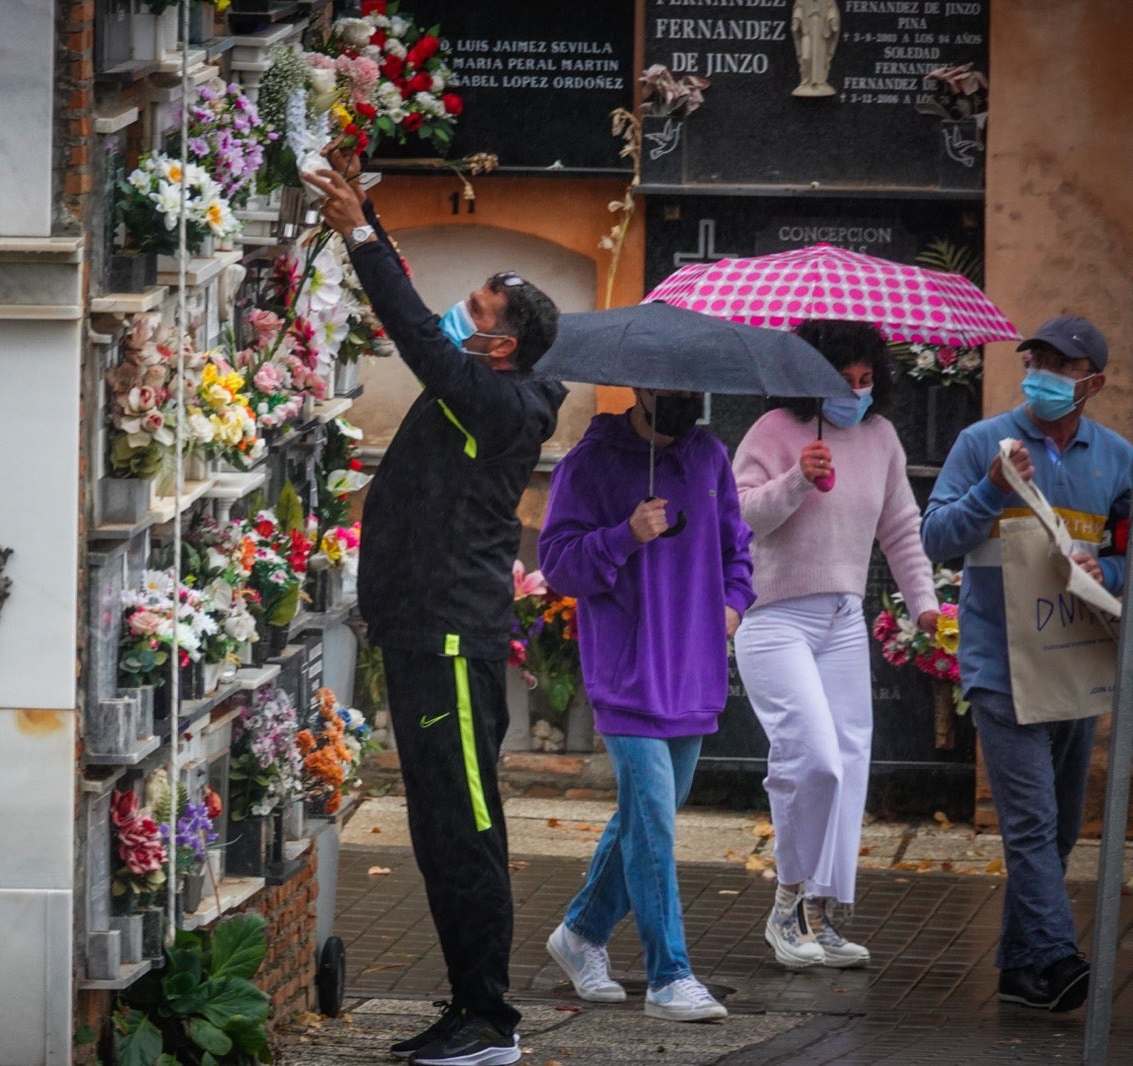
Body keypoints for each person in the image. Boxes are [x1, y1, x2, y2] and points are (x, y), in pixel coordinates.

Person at [302, 158, 565, 1066]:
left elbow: (414, 331)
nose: (463, 314)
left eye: (480, 313)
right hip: (426, 640)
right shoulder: (486, 388)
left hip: (452, 646)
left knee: (464, 829)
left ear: (502, 346)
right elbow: (423, 319)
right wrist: (361, 207)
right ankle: (473, 1010)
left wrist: (361, 236)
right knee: (442, 826)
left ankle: (488, 1020)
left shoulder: (495, 403)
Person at [923, 315, 1133, 1013]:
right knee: (1033, 826)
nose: (1040, 372)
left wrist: (1102, 563)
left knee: (1063, 829)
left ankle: (1020, 972)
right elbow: (935, 538)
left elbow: (1129, 550)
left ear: (1092, 383)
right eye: (1034, 358)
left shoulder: (1116, 459)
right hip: (1002, 665)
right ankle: (1055, 955)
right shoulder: (983, 443)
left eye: (1059, 364)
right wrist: (991, 491)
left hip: (1076, 662)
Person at [538, 388, 754, 1023]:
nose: (686, 399)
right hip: (626, 674)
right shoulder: (590, 462)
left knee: (643, 816)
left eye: (694, 389)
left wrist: (734, 607)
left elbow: (737, 549)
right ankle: (670, 975)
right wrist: (623, 536)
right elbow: (556, 565)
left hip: (693, 672)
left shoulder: (710, 456)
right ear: (641, 389)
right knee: (655, 820)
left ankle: (579, 935)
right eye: (672, 390)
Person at [731, 320, 939, 971]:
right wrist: (796, 478)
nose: (856, 392)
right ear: (810, 377)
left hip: (844, 618)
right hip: (774, 619)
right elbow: (739, 515)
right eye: (842, 380)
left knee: (847, 766)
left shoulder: (880, 438)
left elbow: (901, 527)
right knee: (812, 759)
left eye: (866, 380)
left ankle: (819, 915)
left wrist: (926, 603)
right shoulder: (773, 433)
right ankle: (785, 903)